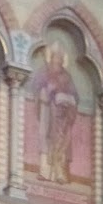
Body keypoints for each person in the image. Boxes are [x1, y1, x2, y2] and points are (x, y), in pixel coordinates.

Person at [31, 44, 78, 183]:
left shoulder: (66, 76)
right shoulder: (43, 72)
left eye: (60, 59)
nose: (57, 61)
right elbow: (35, 87)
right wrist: (45, 91)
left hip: (61, 113)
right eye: (55, 58)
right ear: (50, 58)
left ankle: (59, 174)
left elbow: (74, 95)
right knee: (45, 137)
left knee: (61, 142)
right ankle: (45, 172)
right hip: (46, 110)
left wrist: (65, 97)